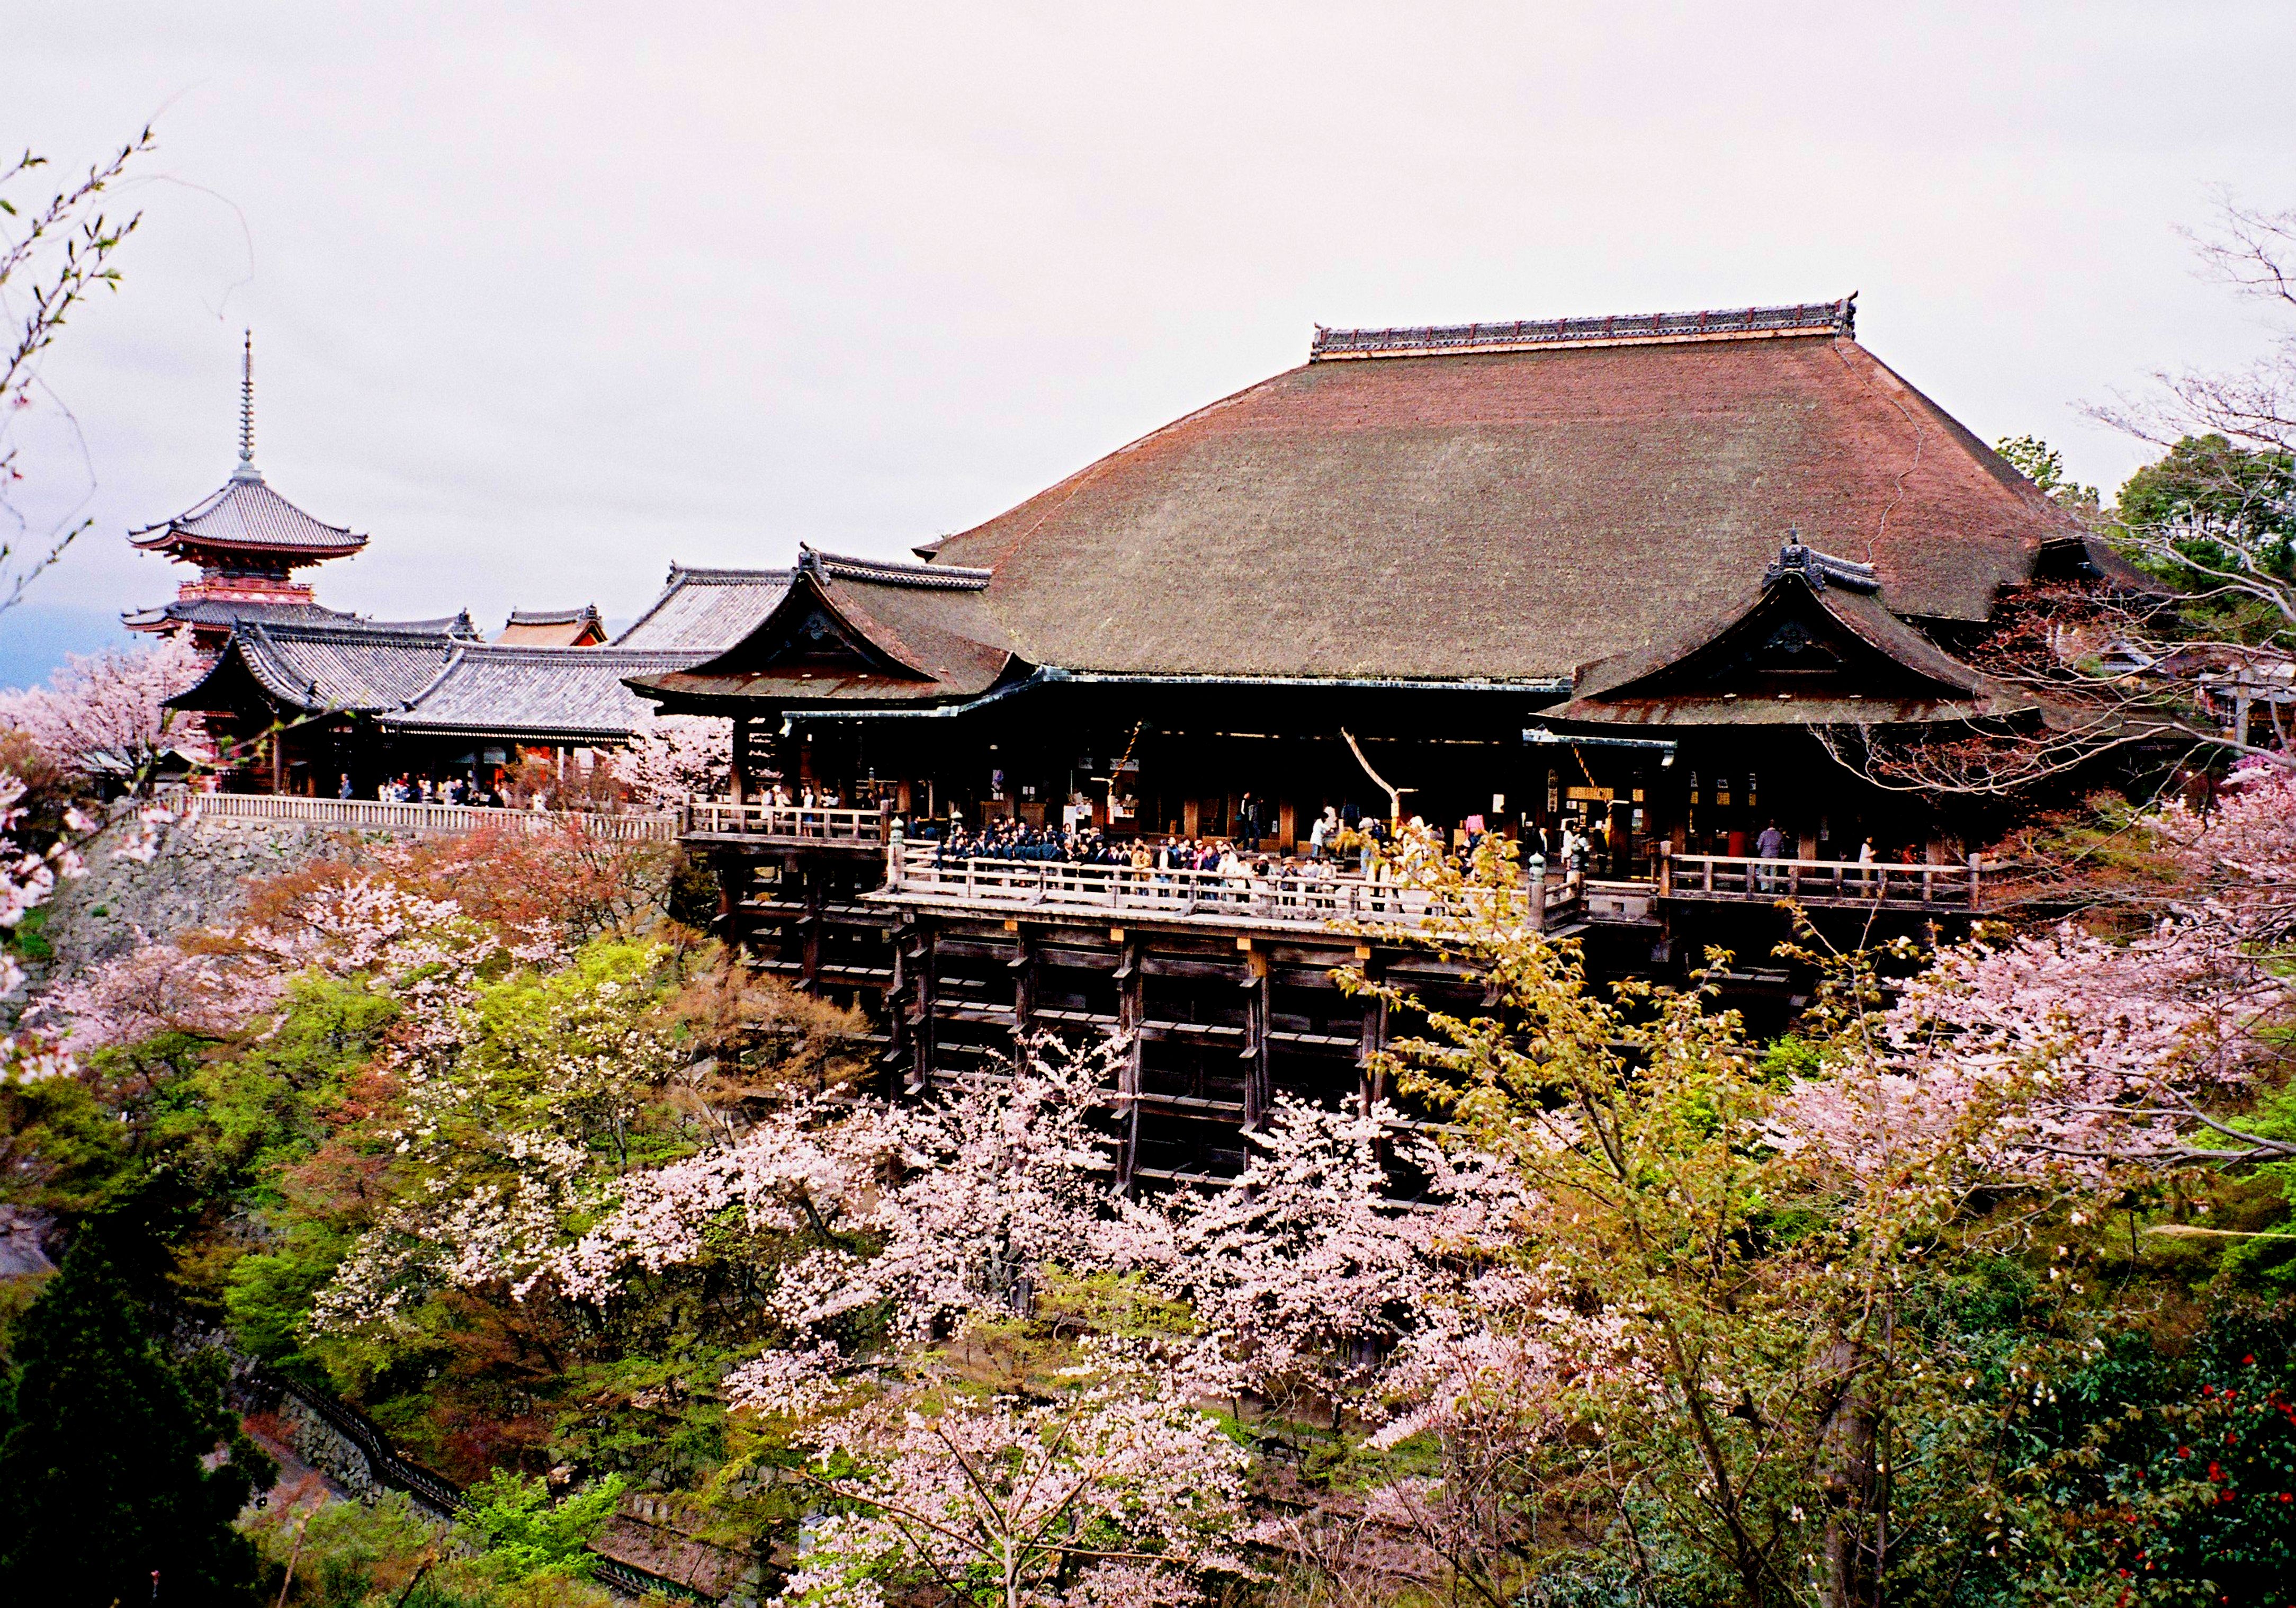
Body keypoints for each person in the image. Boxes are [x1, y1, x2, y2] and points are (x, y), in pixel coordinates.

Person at [1755, 819, 1787, 891]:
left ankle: (1765, 887)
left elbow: (1759, 846)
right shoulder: (1780, 835)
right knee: (1774, 874)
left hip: (1765, 855)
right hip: (1775, 856)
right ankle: (1772, 890)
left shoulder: (1764, 834)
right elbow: (1782, 849)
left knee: (1762, 872)